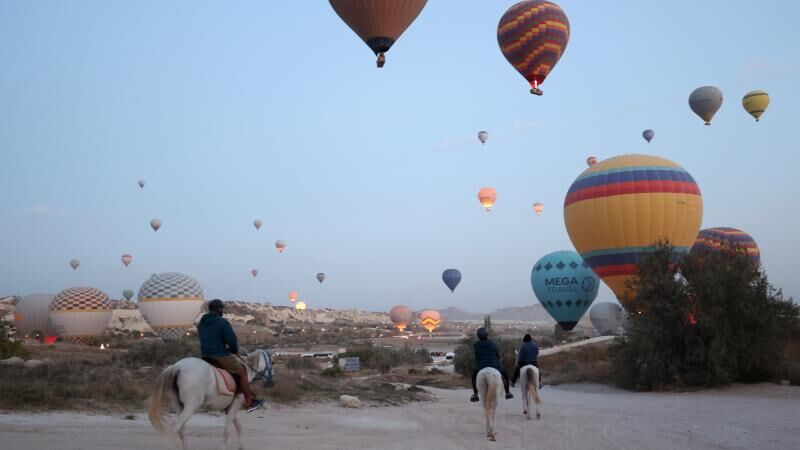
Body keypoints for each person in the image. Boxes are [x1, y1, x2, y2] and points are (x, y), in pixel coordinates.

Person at [197, 299, 264, 412]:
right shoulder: (222, 322)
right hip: (220, 354)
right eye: (222, 309)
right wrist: (233, 350)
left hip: (205, 355)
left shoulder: (201, 323)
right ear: (219, 309)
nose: (222, 311)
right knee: (242, 371)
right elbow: (231, 341)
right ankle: (249, 401)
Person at [470, 327, 513, 402]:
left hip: (481, 366)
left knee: (474, 377)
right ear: (487, 335)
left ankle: (475, 394)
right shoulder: (493, 344)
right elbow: (498, 356)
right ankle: (507, 392)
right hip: (494, 366)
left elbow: (476, 357)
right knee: (504, 374)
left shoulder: (476, 345)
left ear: (478, 336)